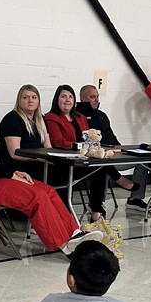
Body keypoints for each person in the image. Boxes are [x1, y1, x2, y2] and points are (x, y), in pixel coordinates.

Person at [0, 84, 102, 254]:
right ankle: (65, 246)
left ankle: (74, 233)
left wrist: (14, 173)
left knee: (48, 191)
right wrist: (12, 175)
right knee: (37, 197)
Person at [45, 84, 108, 221]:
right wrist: (78, 146)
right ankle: (64, 216)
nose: (67, 100)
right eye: (63, 97)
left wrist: (88, 145)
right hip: (62, 163)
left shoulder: (80, 117)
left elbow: (88, 137)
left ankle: (96, 210)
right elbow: (57, 142)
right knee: (61, 177)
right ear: (57, 99)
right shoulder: (51, 117)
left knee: (101, 168)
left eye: (70, 97)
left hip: (81, 158)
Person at [75, 84, 135, 191]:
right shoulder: (77, 115)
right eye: (92, 97)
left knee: (144, 162)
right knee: (102, 162)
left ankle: (135, 199)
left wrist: (121, 149)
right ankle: (118, 181)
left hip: (114, 152)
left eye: (97, 97)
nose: (96, 100)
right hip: (95, 155)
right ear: (82, 98)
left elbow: (111, 136)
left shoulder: (102, 115)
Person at [0, 84, 49, 174]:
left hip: (41, 162)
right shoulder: (12, 119)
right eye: (25, 98)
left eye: (34, 97)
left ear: (38, 101)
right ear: (19, 101)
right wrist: (39, 158)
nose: (30, 101)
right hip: (21, 166)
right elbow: (15, 153)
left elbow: (48, 146)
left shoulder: (41, 119)